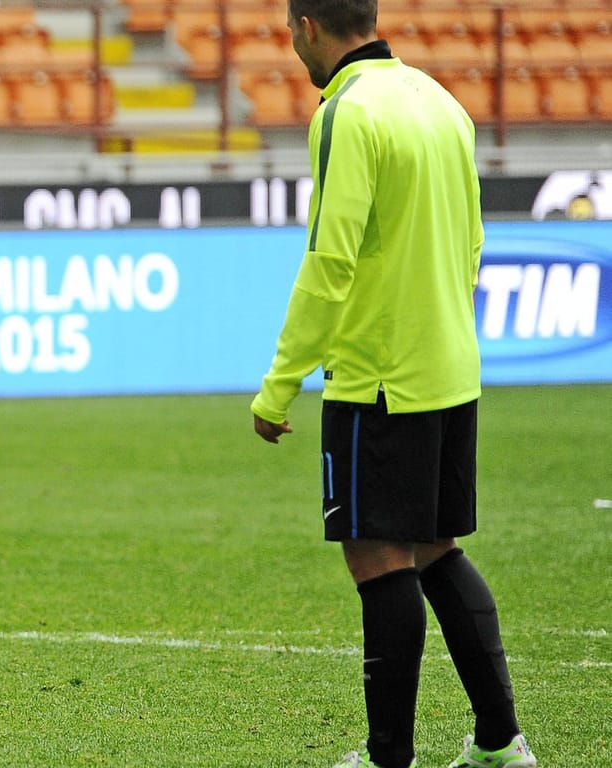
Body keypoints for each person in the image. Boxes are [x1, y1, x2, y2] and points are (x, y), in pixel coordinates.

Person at [251, 2, 537, 767]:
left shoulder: (347, 112)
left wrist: (279, 384)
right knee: (437, 548)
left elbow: (329, 261)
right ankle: (500, 744)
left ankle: (387, 759)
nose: (291, 46)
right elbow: (474, 240)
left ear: (309, 26)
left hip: (377, 377)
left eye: (289, 32)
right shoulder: (440, 102)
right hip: (449, 369)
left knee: (377, 558)